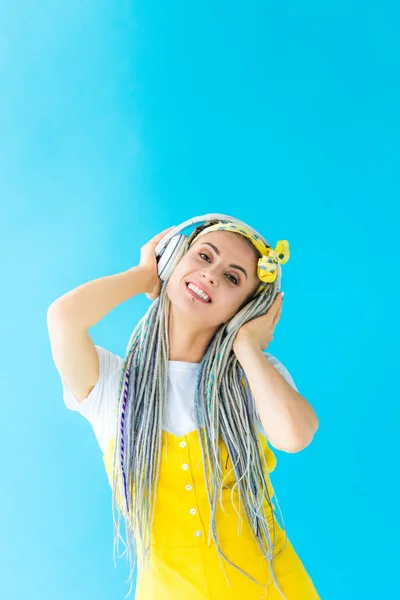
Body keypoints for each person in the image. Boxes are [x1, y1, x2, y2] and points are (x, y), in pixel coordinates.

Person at [47, 216, 320, 599]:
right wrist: (145, 276)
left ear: (246, 308)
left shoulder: (252, 377)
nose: (210, 275)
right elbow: (64, 319)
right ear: (173, 259)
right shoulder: (113, 388)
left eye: (233, 278)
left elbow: (295, 435)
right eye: (204, 256)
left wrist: (246, 346)